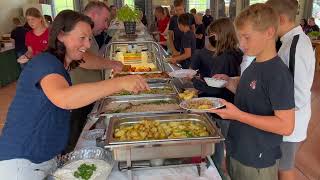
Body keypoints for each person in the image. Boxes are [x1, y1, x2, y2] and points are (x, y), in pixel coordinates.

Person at [0, 10, 149, 179]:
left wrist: (114, 64)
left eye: (89, 38)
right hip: (21, 162)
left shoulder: (60, 60)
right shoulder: (45, 63)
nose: (87, 44)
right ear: (61, 35)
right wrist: (119, 83)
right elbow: (65, 98)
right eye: (82, 38)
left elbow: (88, 59)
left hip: (43, 157)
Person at [211, 4, 295, 180]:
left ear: (269, 32)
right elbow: (250, 96)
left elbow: (286, 126)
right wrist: (228, 82)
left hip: (257, 162)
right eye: (239, 37)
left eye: (246, 37)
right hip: (239, 152)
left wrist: (238, 115)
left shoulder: (277, 74)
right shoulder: (254, 64)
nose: (241, 44)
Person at [65, 1, 123, 153]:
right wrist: (112, 64)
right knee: (74, 140)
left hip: (89, 96)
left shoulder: (88, 35)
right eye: (105, 20)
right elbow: (83, 59)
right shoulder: (76, 32)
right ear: (93, 15)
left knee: (83, 136)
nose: (106, 26)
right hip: (79, 98)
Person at [266, 1, 315, 180]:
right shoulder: (287, 42)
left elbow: (299, 94)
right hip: (285, 118)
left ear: (280, 19)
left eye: (268, 19)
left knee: (284, 168)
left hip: (290, 122)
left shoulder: (296, 45)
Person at [190, 18, 242, 172]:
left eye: (211, 34)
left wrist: (195, 82)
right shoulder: (235, 53)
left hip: (221, 108)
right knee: (228, 143)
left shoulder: (223, 57)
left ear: (220, 35)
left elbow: (215, 88)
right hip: (231, 104)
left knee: (219, 142)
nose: (209, 38)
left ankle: (218, 171)